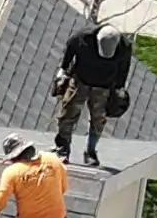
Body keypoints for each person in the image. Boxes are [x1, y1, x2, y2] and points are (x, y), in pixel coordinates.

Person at [53, 13, 136, 158]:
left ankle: (91, 152)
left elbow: (124, 68)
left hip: (104, 87)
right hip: (80, 80)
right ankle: (62, 148)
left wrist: (119, 87)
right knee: (67, 114)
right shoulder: (82, 37)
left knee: (98, 120)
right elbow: (70, 49)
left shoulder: (124, 47)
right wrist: (63, 69)